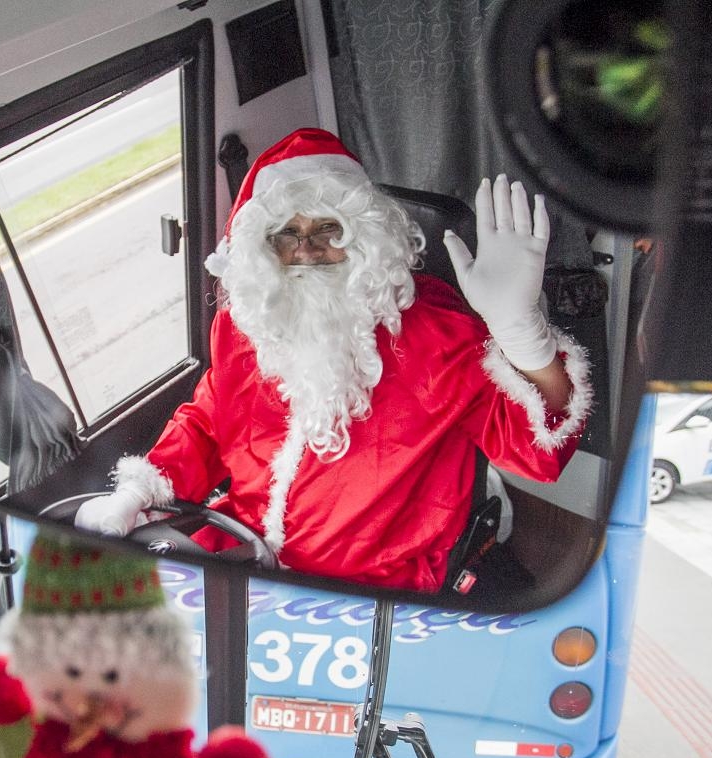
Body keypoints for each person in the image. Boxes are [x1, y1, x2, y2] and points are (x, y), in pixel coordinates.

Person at [75, 128, 592, 591]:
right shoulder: (245, 323)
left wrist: (523, 336)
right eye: (286, 235)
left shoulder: (434, 333)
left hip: (369, 584)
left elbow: (539, 452)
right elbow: (209, 422)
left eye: (329, 231)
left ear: (364, 237)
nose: (306, 252)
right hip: (239, 551)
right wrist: (138, 492)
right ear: (259, 247)